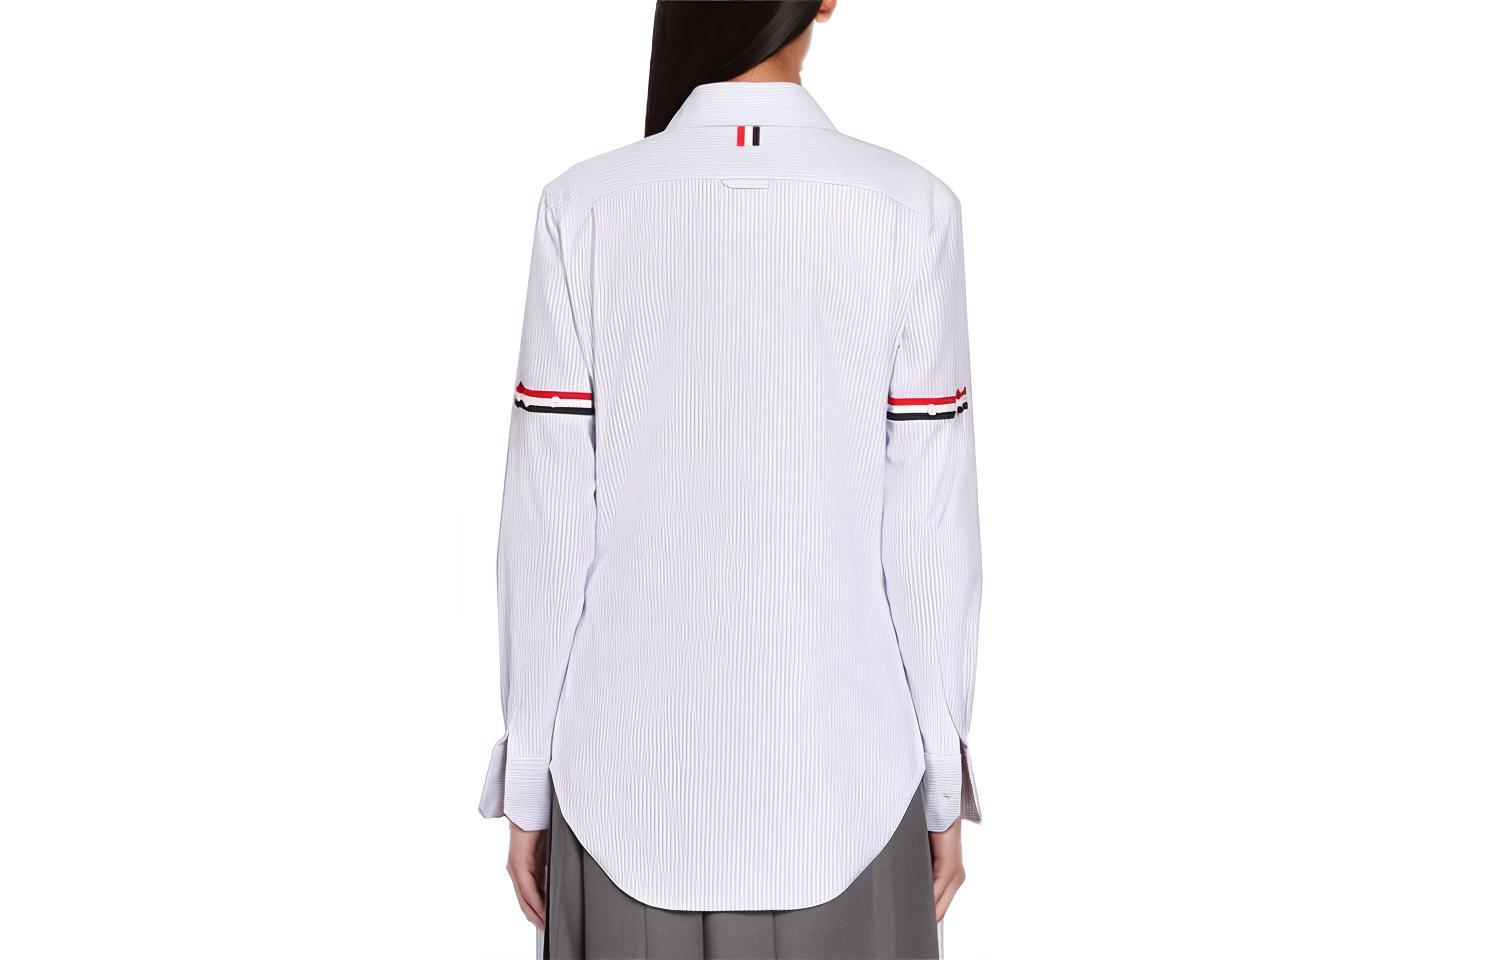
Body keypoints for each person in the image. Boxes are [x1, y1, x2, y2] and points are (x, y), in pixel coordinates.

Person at [479, 2, 983, 956]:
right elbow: (928, 536)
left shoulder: (583, 207)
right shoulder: (912, 208)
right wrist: (943, 779)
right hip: (848, 786)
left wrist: (530, 778)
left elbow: (548, 526)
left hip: (620, 797)